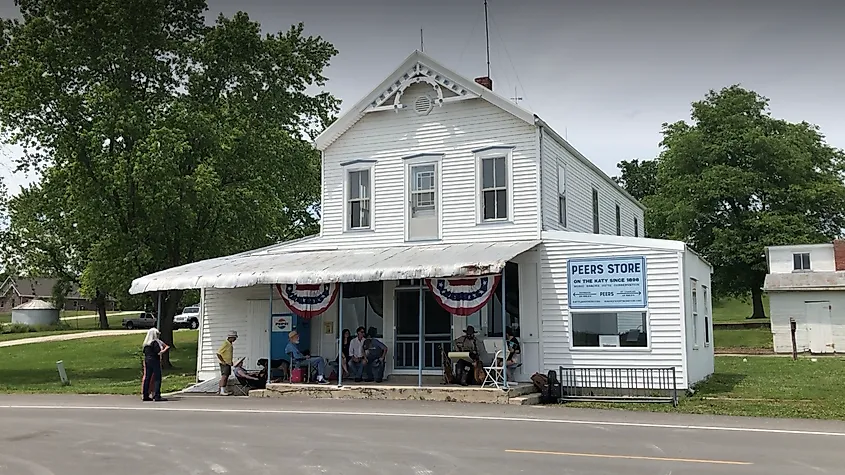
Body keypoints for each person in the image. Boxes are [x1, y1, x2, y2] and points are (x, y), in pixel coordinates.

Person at [141, 328, 169, 402]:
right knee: (157, 378)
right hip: (154, 360)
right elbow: (158, 352)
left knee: (148, 377)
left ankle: (145, 395)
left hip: (147, 360)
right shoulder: (154, 343)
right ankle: (157, 395)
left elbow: (144, 352)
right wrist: (164, 350)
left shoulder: (146, 344)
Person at [216, 330, 238, 396]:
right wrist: (223, 361)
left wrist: (230, 361)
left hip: (228, 363)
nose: (235, 339)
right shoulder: (226, 344)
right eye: (234, 338)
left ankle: (221, 390)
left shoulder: (229, 344)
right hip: (224, 363)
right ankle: (222, 390)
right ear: (230, 337)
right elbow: (218, 353)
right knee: (224, 376)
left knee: (226, 376)